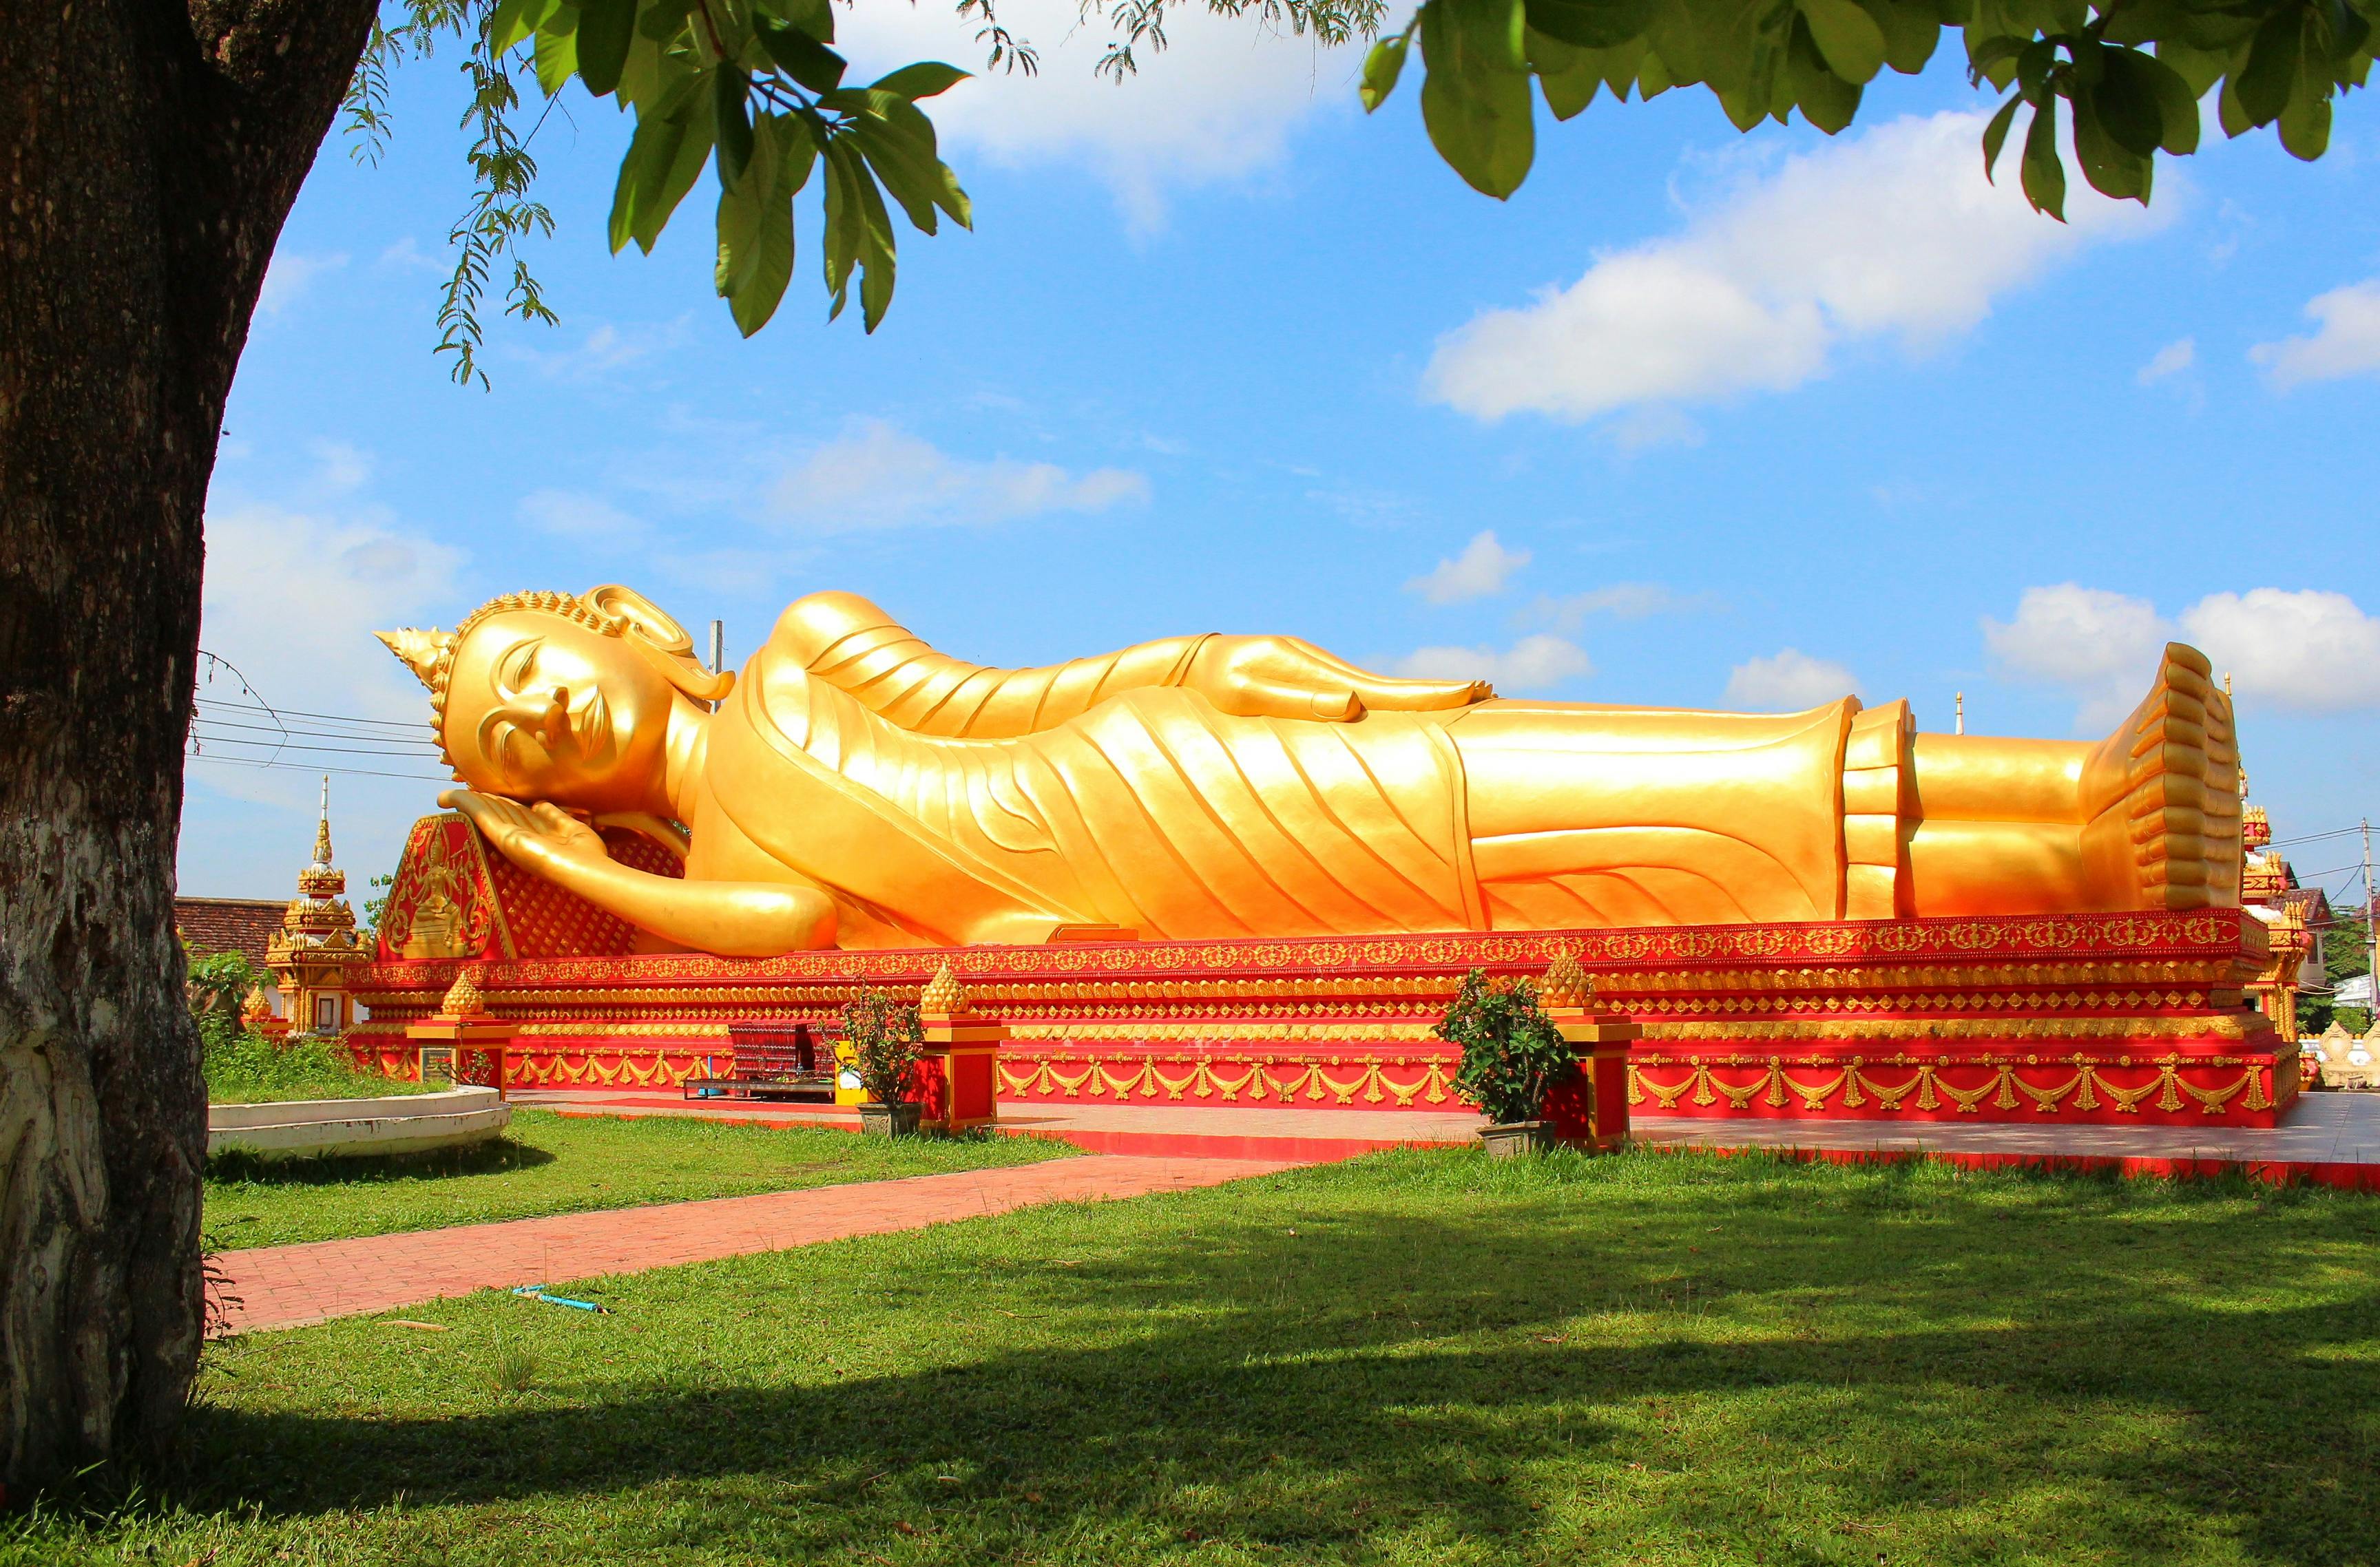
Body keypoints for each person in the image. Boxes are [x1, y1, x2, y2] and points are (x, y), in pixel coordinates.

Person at [379, 586, 2240, 956]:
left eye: (534, 674)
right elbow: (788, 927)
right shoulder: (718, 868)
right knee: (1548, 866)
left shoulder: (794, 652)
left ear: (625, 621)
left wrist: (1212, 657)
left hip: (1159, 769)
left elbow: (1012, 690)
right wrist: (565, 859)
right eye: (511, 742)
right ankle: (2077, 864)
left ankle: (2068, 790)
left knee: (1518, 775)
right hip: (1134, 901)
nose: (539, 717)